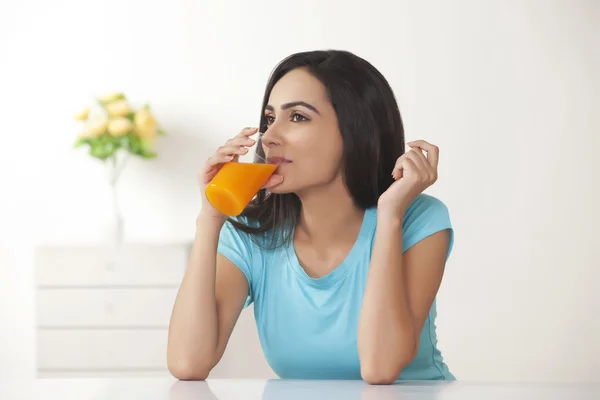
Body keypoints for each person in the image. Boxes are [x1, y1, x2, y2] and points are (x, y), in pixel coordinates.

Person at [167, 50, 455, 385]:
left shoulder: (418, 220)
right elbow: (188, 363)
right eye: (269, 119)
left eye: (298, 117)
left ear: (355, 131)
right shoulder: (252, 234)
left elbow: (379, 368)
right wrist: (210, 217)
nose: (269, 137)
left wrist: (390, 217)